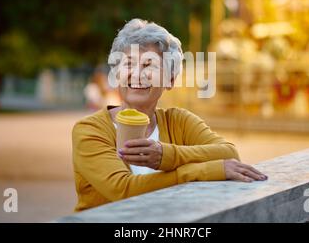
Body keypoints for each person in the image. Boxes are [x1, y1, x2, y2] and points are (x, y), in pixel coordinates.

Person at [72, 19, 267, 211]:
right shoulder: (90, 130)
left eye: (150, 65)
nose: (138, 74)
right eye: (129, 64)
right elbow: (124, 190)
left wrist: (165, 155)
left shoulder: (179, 121)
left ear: (170, 80)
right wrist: (200, 171)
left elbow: (229, 154)